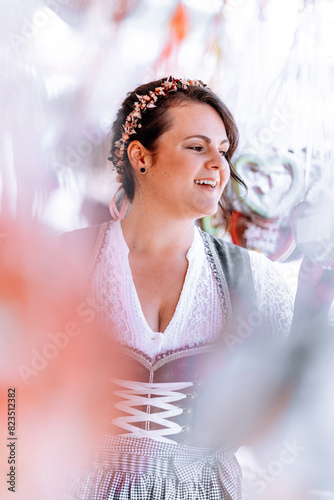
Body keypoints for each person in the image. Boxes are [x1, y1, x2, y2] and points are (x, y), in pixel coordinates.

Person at [60, 77, 293, 500]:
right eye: (197, 147)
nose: (218, 166)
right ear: (140, 156)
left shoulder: (257, 280)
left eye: (223, 152)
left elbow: (285, 426)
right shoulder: (63, 262)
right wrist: (14, 484)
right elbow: (14, 404)